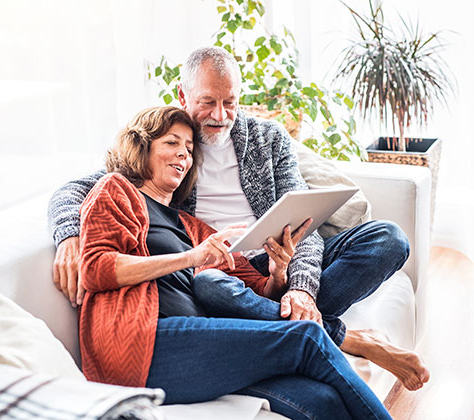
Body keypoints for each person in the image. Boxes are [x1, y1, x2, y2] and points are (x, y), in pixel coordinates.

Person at [48, 46, 430, 391]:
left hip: (278, 256)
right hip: (221, 270)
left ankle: (289, 323)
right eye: (208, 102)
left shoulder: (268, 138)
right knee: (212, 286)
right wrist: (69, 237)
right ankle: (341, 337)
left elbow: (305, 224)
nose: (220, 115)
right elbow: (76, 190)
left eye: (229, 102)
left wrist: (299, 286)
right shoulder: (168, 143)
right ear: (183, 96)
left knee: (388, 239)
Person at [80, 105, 392, 419]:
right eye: (171, 143)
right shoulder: (116, 191)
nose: (183, 156)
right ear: (141, 146)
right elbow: (95, 269)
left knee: (322, 400)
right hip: (143, 344)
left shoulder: (192, 226)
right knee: (307, 337)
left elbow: (259, 292)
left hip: (203, 340)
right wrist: (191, 257)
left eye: (189, 149)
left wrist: (278, 272)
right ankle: (338, 336)